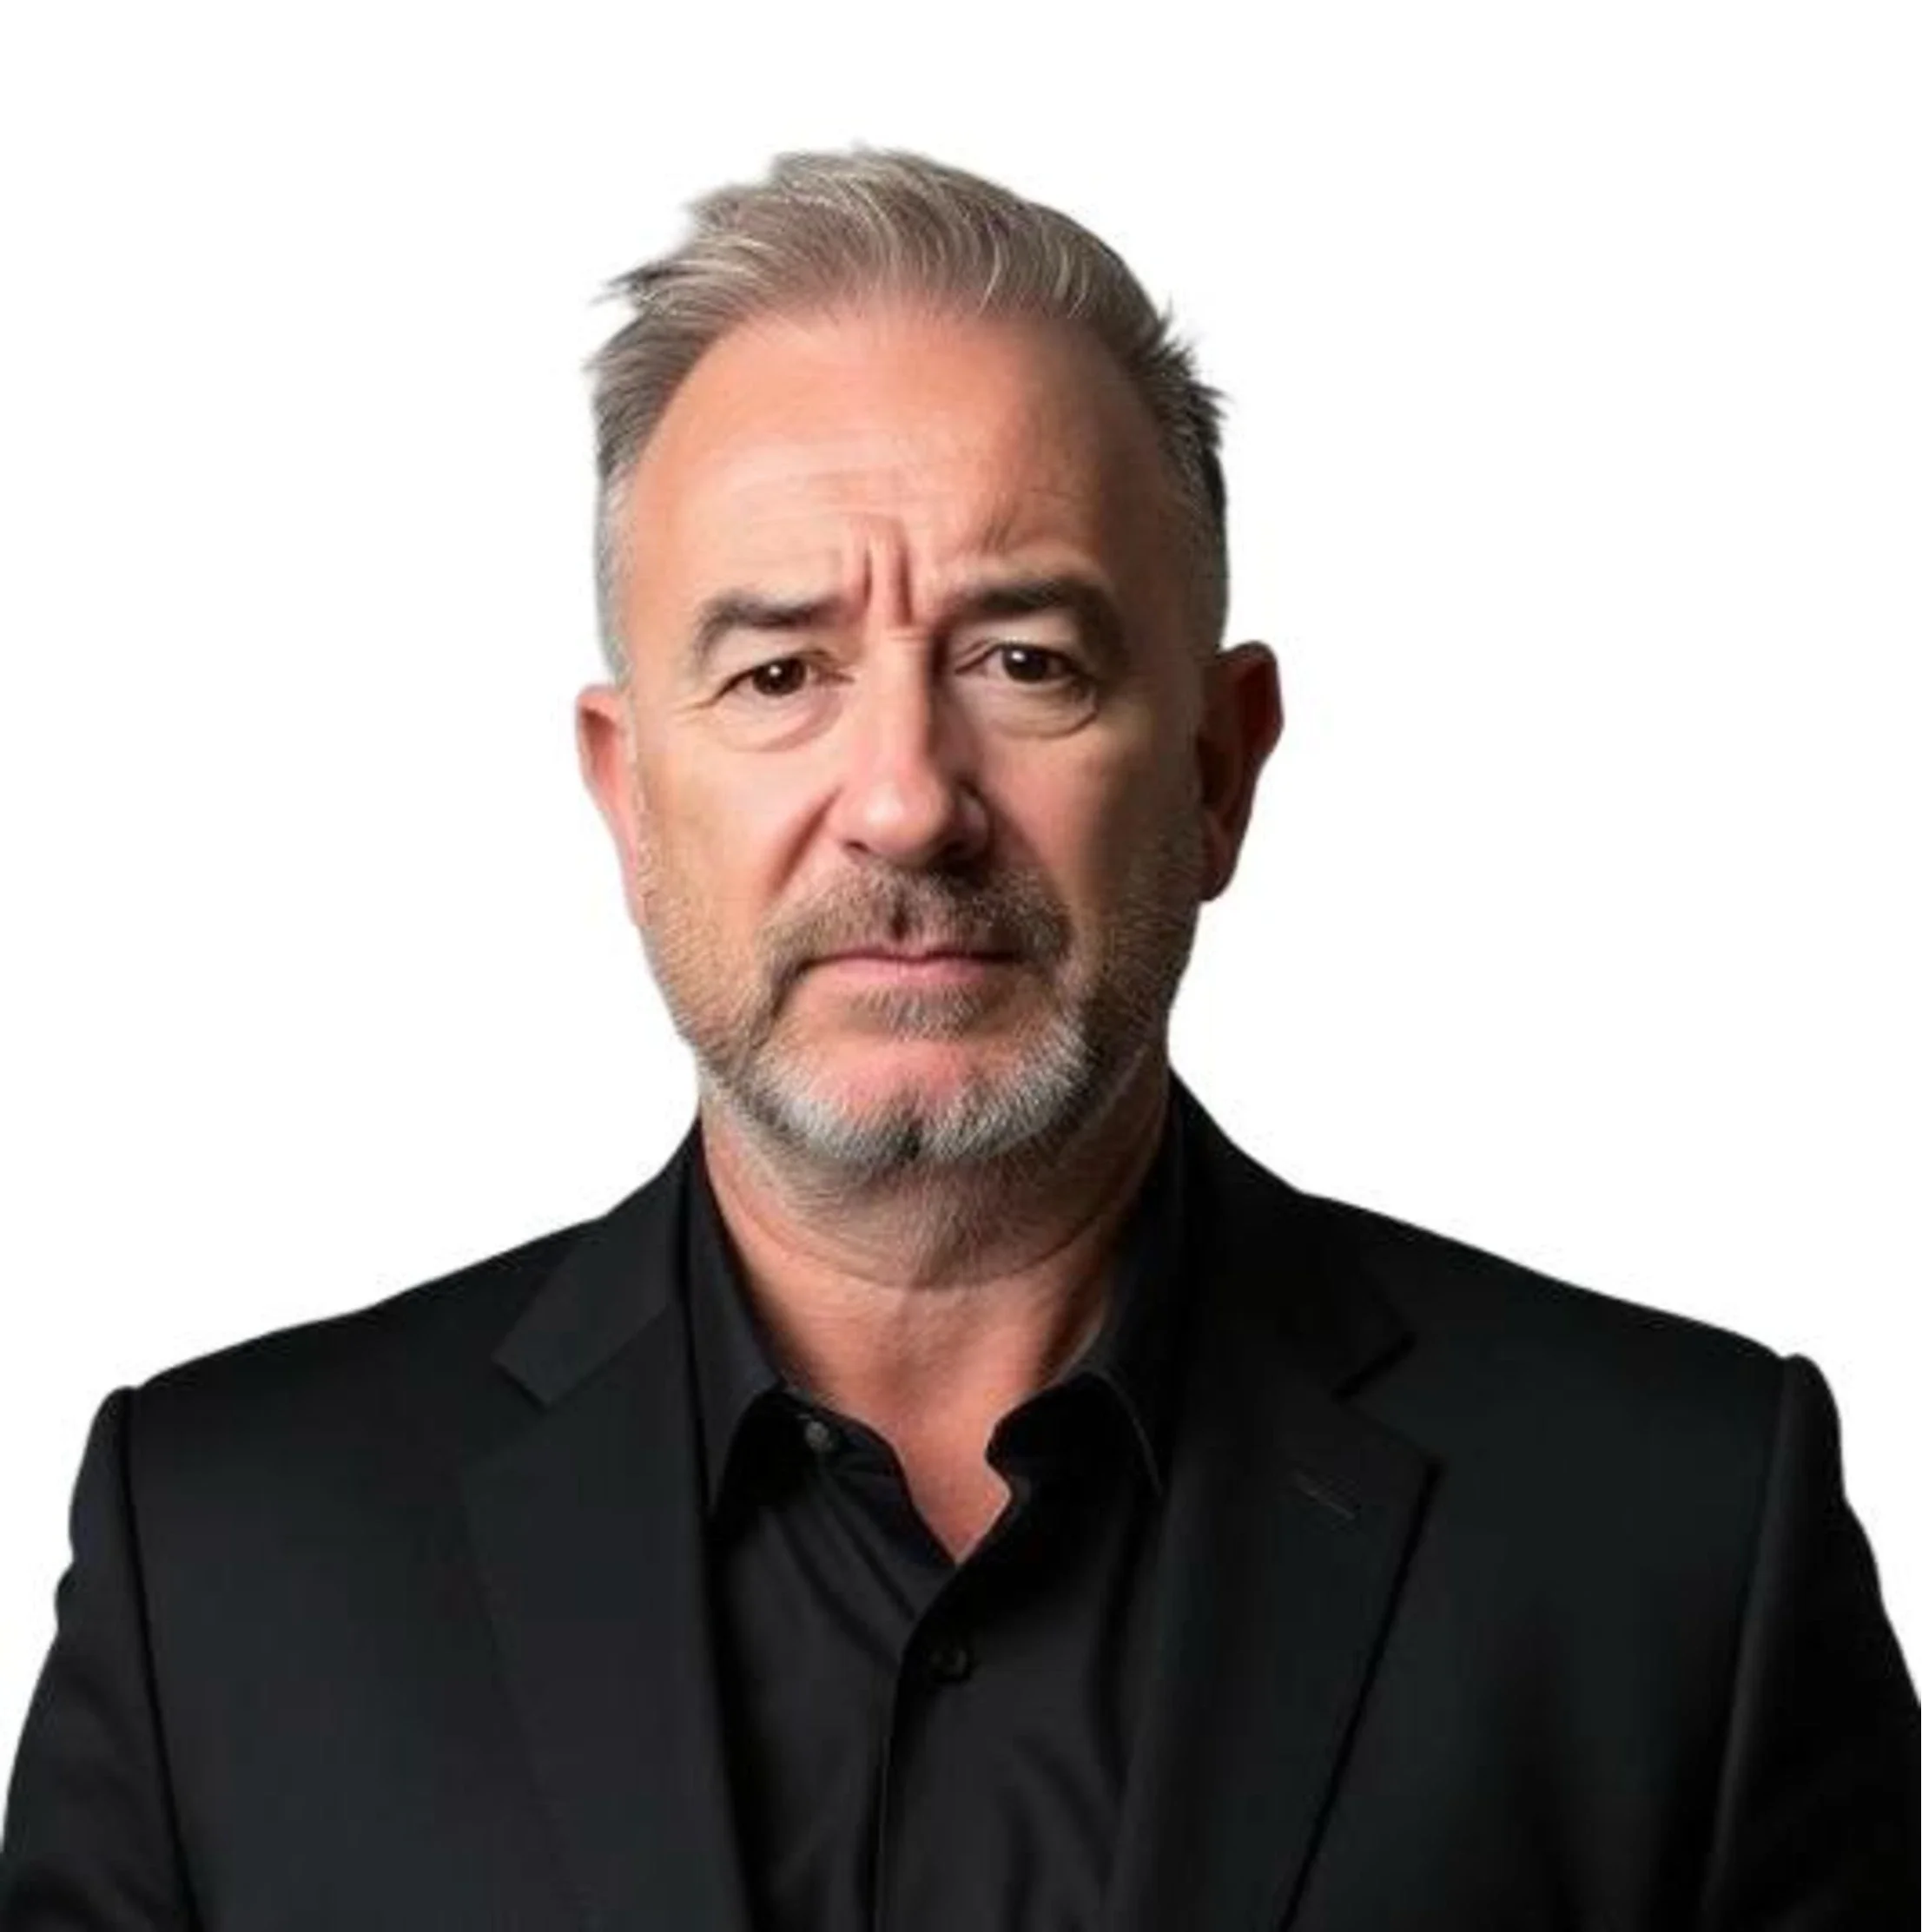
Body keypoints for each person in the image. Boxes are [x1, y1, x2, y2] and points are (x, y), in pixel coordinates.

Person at [1, 147, 1913, 1930]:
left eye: (1026, 660)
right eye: (778, 673)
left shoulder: (1675, 1544)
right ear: (627, 794)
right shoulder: (223, 1561)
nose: (905, 797)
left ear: (1216, 769)